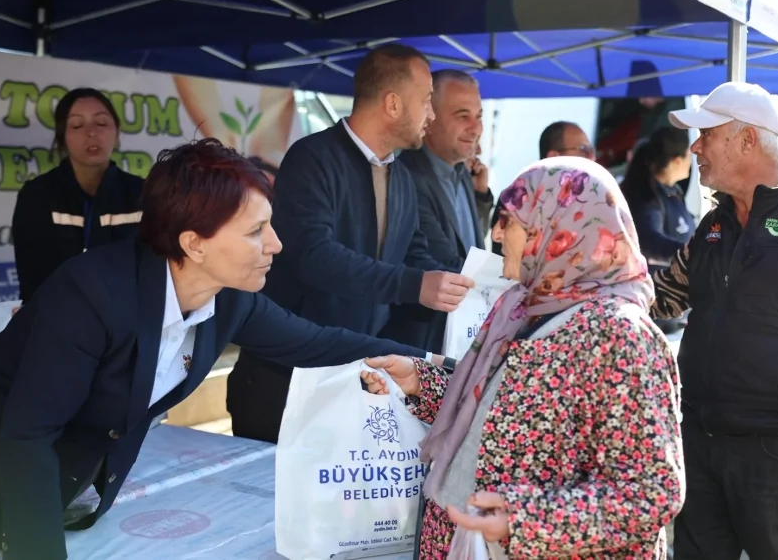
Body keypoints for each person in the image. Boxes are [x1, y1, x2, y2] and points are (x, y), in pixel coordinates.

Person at [0, 139, 440, 560]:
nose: (276, 244)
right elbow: (28, 437)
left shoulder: (228, 299)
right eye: (257, 231)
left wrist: (437, 367)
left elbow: (318, 342)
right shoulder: (91, 294)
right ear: (194, 243)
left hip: (51, 492)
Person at [363, 157, 684, 558]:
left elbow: (651, 492)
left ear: (558, 231)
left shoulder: (620, 335)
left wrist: (522, 521)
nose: (496, 234)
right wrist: (419, 381)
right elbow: (500, 408)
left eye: (509, 222)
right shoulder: (520, 306)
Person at [228, 44, 472, 444]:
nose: (431, 114)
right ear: (393, 104)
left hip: (357, 376)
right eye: (426, 100)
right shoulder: (313, 158)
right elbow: (313, 255)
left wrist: (463, 287)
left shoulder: (402, 177)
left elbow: (414, 254)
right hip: (285, 378)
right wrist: (414, 284)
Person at [653, 82, 778, 560]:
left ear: (747, 139)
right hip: (700, 443)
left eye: (707, 135)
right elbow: (662, 299)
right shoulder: (714, 224)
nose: (695, 148)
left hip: (776, 452)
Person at [383, 69, 491, 353]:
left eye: (479, 116)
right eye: (463, 116)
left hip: (458, 339)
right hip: (419, 346)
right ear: (430, 117)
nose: (476, 128)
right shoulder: (407, 176)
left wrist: (481, 198)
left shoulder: (463, 172)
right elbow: (445, 263)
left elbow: (469, 247)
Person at [11, 87, 143, 302]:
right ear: (62, 136)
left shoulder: (143, 193)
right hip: (59, 316)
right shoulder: (37, 195)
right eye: (77, 125)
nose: (91, 133)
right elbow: (33, 280)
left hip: (129, 316)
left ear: (117, 132)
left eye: (101, 123)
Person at [490, 120, 595, 255]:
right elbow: (502, 260)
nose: (592, 157)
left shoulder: (593, 200)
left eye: (591, 150)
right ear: (553, 157)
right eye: (583, 150)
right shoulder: (517, 197)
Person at [620, 127, 695, 271]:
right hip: (658, 281)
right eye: (689, 155)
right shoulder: (647, 196)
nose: (691, 161)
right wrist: (692, 254)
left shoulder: (674, 192)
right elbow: (650, 241)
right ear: (676, 161)